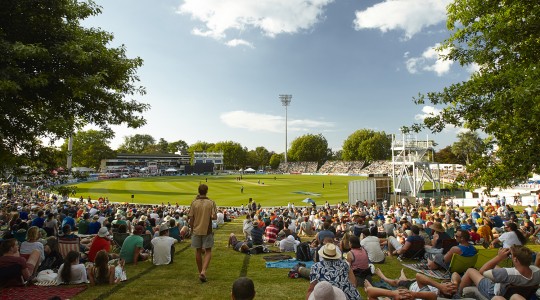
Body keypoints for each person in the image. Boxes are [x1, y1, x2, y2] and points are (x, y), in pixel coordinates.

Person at [457, 245, 540, 299]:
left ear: (515, 259)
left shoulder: (507, 273)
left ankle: (458, 294)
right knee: (496, 267)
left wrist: (499, 257)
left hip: (494, 291)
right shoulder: (536, 271)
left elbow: (482, 271)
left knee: (471, 271)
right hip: (519, 292)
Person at [368, 267, 460, 300]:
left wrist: (440, 286)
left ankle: (382, 276)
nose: (446, 284)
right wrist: (455, 283)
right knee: (406, 279)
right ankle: (402, 275)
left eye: (447, 285)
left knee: (397, 282)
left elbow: (418, 276)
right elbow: (455, 274)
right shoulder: (450, 290)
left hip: (412, 286)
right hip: (418, 283)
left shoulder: (432, 294)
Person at [188, 184, 217, 283]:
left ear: (198, 191)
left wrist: (191, 229)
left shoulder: (194, 202)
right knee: (208, 251)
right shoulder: (211, 203)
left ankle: (200, 271)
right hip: (207, 229)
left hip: (196, 229)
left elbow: (191, 218)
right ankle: (203, 271)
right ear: (207, 191)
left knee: (198, 251)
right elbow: (214, 217)